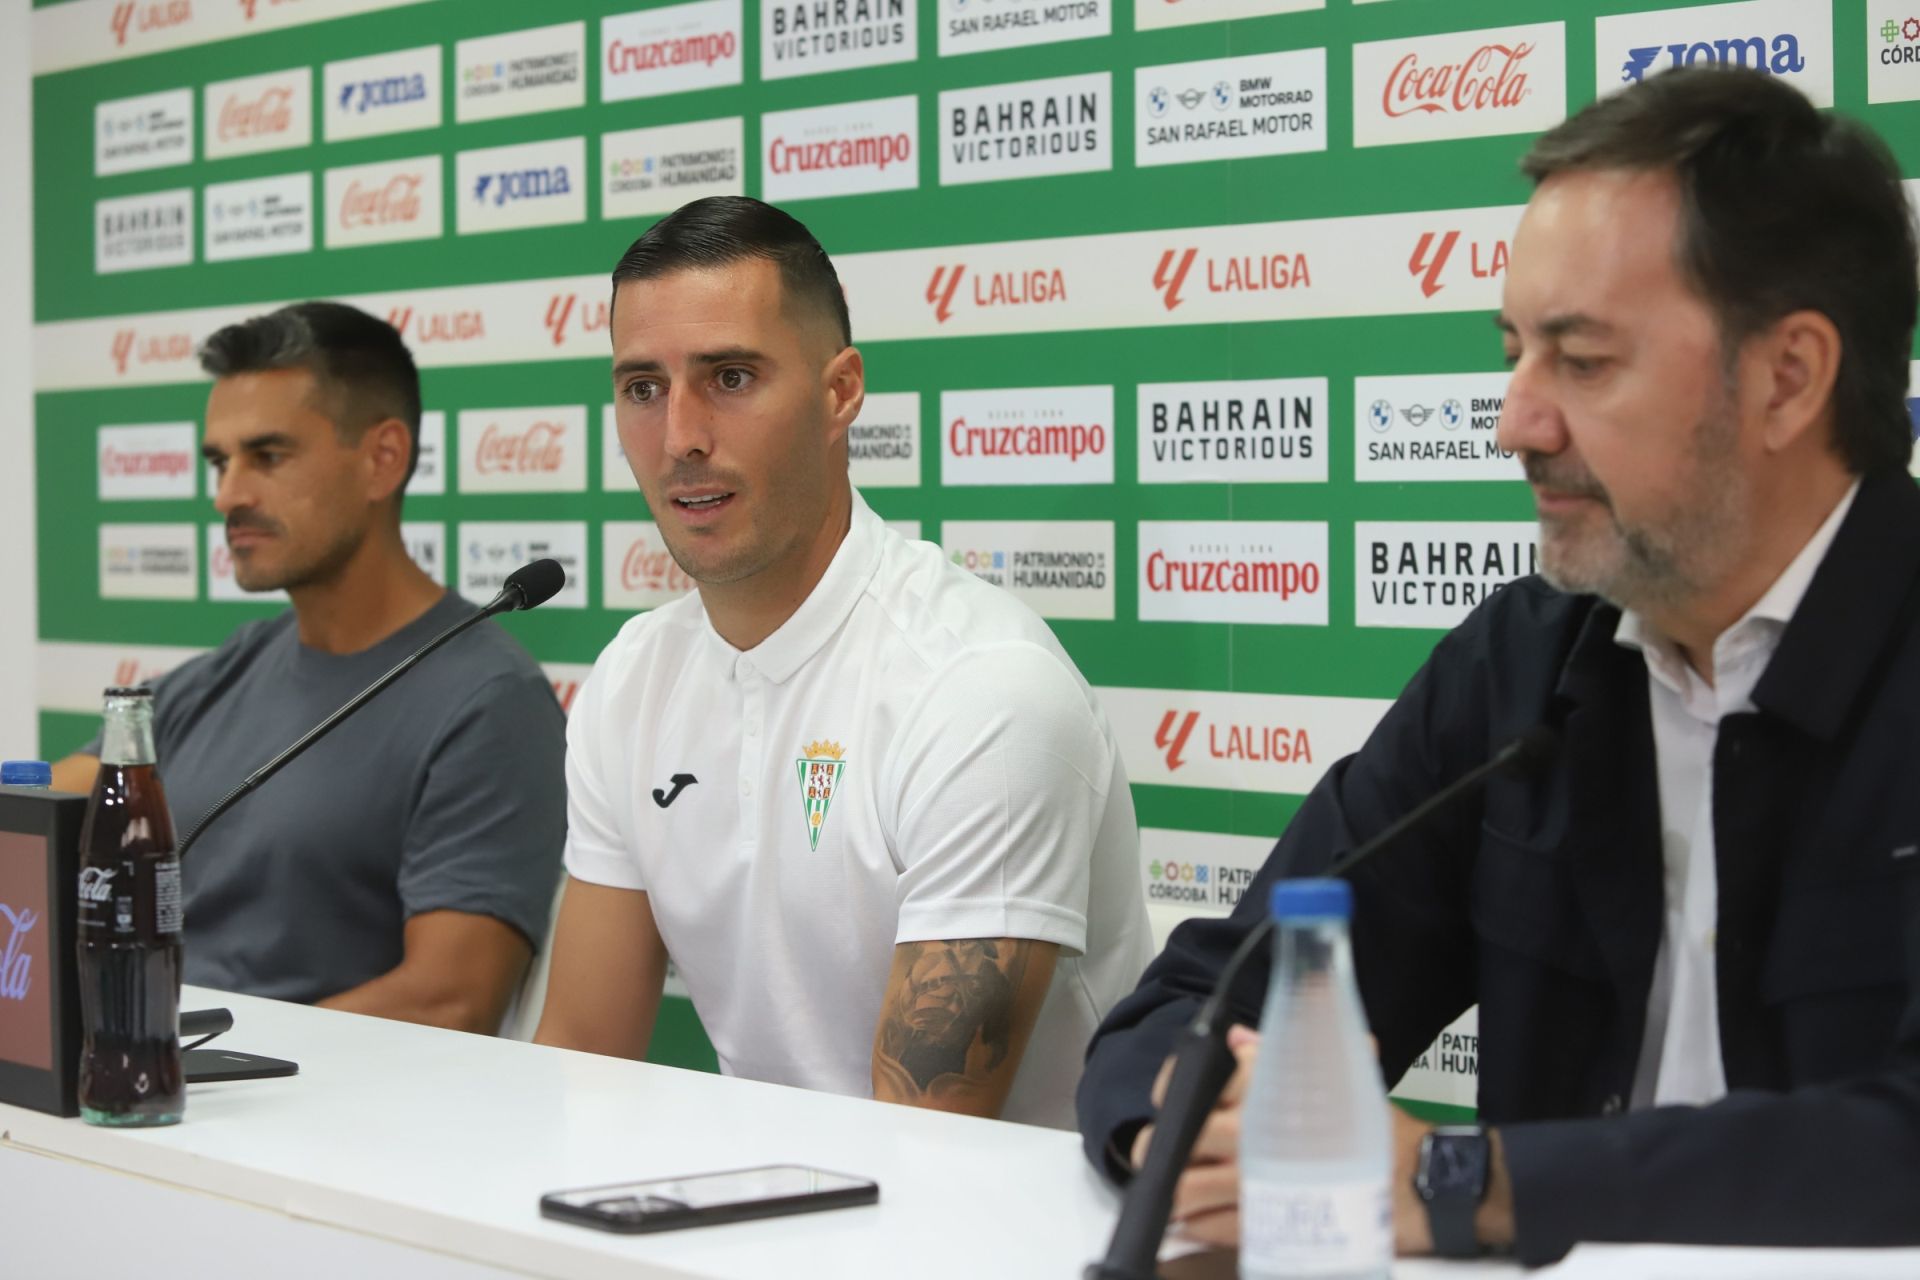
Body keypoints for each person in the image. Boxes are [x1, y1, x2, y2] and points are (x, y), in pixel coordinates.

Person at [1076, 65, 1920, 1265]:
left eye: (1580, 362)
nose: (1515, 421)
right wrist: (1198, 1124)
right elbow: (1194, 1004)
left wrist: (1457, 1176)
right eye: (1515, 351)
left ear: (1787, 376)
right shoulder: (1523, 666)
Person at [534, 197, 1153, 1127]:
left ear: (839, 393)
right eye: (643, 389)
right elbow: (580, 1058)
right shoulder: (632, 679)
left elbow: (924, 1137)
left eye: (731, 377)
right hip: (767, 1214)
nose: (679, 438)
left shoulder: (983, 689)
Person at [51, 302, 567, 1034]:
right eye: (219, 462)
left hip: (308, 1117)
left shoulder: (488, 701)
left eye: (268, 456)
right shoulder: (231, 667)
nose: (229, 495)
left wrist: (179, 1049)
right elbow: (37, 814)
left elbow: (450, 999)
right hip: (150, 1085)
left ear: (383, 458)